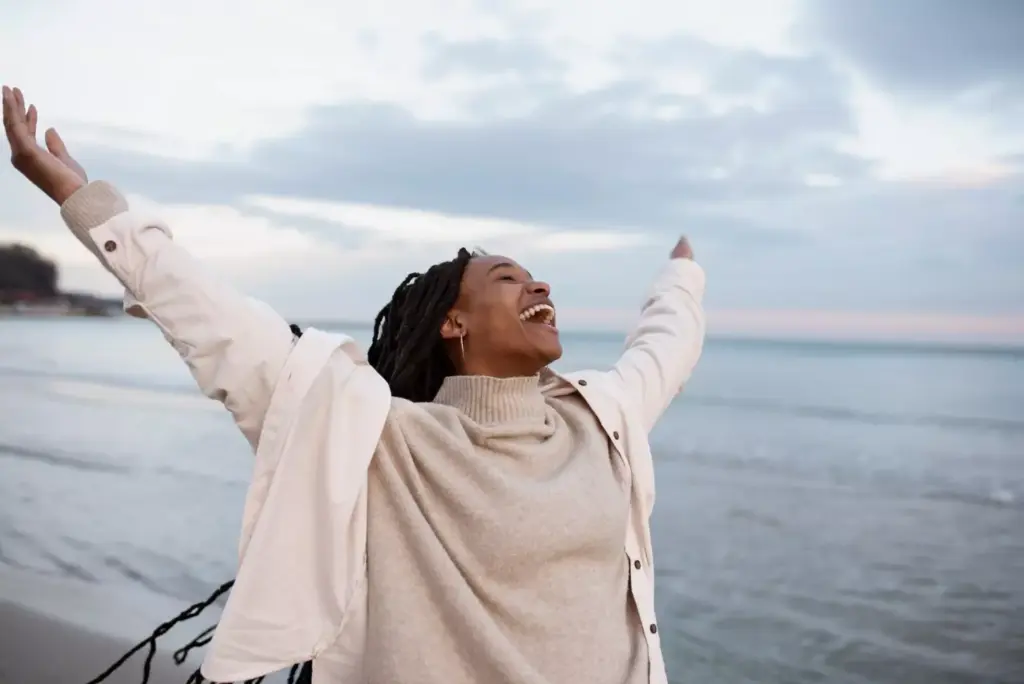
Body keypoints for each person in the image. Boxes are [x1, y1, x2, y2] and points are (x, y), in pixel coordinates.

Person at [3, 86, 707, 684]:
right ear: (452, 325)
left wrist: (681, 276)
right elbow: (222, 327)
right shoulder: (380, 440)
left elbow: (663, 349)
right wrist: (84, 199)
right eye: (508, 278)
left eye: (533, 276)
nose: (538, 283)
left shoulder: (599, 419)